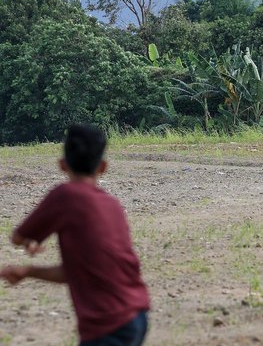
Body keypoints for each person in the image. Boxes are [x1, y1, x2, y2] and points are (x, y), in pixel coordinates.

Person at [0, 124, 150, 346]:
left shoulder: (64, 196)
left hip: (107, 325)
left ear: (62, 165)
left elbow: (17, 237)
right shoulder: (112, 205)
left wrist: (31, 241)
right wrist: (28, 271)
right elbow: (79, 273)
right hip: (137, 316)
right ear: (104, 167)